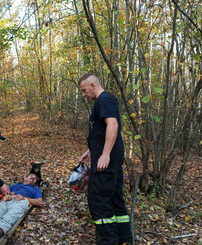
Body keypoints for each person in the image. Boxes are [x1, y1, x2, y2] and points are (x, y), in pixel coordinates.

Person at [78, 74, 133, 244]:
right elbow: (102, 132)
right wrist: (91, 151)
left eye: (84, 90)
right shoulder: (102, 102)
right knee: (115, 197)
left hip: (106, 162)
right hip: (109, 160)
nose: (84, 95)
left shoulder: (104, 100)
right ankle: (124, 240)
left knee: (99, 201)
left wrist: (105, 154)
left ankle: (108, 241)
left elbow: (113, 125)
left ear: (93, 85)